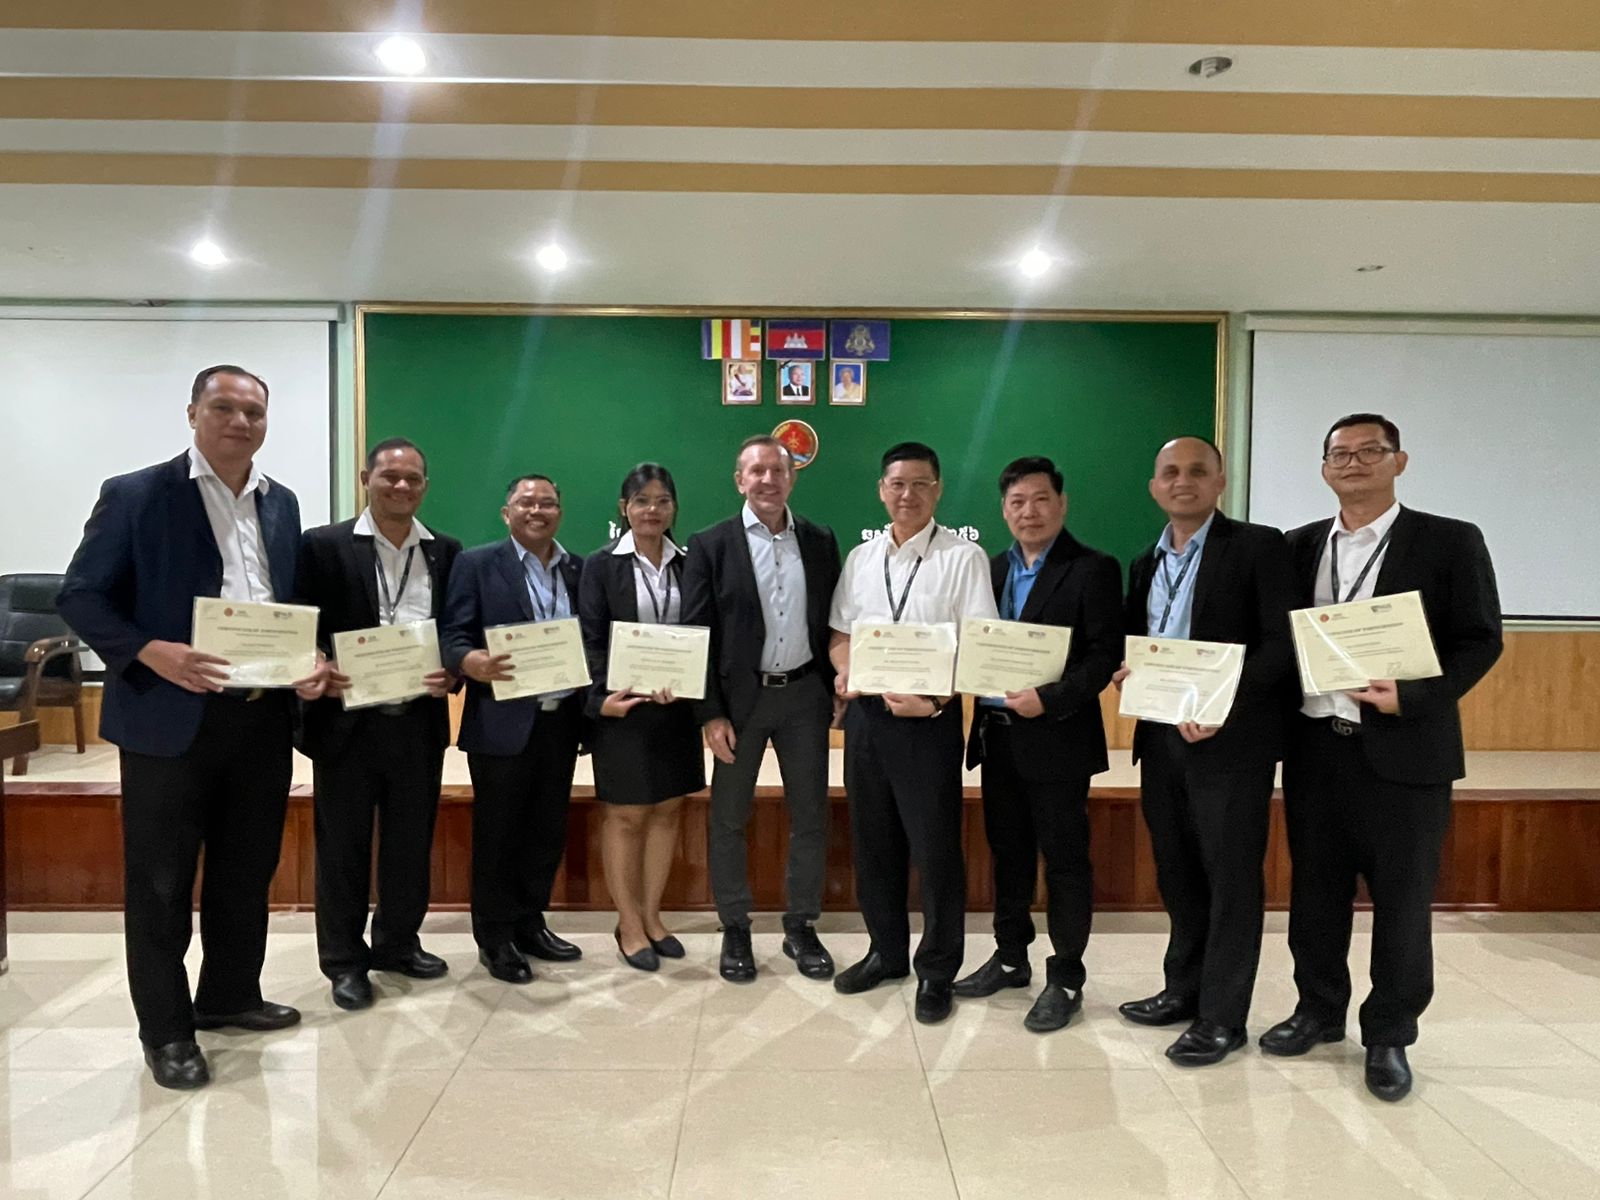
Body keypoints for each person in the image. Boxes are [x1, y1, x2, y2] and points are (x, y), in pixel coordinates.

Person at [57, 364, 330, 1090]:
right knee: (160, 882)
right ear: (193, 413)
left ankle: (230, 996)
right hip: (168, 722)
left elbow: (279, 601)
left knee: (247, 872)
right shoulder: (137, 494)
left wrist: (304, 662)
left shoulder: (283, 504)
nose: (240, 422)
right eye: (225, 407)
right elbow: (80, 595)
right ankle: (167, 1031)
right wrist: (149, 649)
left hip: (261, 718)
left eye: (253, 411)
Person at [1259, 414, 1502, 1102]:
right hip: (1314, 751)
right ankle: (1317, 1010)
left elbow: (1481, 639)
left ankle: (1390, 1033)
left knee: (1401, 902)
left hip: (1405, 755)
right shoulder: (1299, 546)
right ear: (1324, 466)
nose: (1354, 461)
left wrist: (1414, 696)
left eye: (1371, 451)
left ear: (1399, 462)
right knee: (1315, 896)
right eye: (1340, 453)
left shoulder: (1449, 541)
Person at [1113, 436, 1295, 1066]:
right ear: (1155, 487)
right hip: (1162, 739)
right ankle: (1182, 990)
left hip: (1230, 744)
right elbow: (1143, 643)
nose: (1182, 481)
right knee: (1178, 875)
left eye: (1197, 471)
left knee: (1230, 881)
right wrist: (1125, 671)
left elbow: (1280, 644)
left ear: (1221, 482)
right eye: (1170, 472)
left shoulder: (1258, 546)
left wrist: (1223, 708)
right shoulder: (1145, 562)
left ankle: (1223, 1017)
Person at [827, 442, 997, 1024]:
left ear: (938, 489)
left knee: (935, 851)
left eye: (921, 484)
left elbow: (979, 645)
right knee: (874, 844)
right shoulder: (861, 558)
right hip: (869, 722)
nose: (908, 495)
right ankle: (886, 953)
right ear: (882, 489)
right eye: (897, 484)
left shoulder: (963, 558)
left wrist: (936, 698)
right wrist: (846, 669)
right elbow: (840, 633)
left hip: (930, 722)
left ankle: (937, 970)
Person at [953, 456, 1122, 1032]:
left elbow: (1102, 656)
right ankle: (1009, 957)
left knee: (1066, 861)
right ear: (1004, 510)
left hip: (1057, 739)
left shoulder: (1093, 568)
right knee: (1010, 856)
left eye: (1040, 499)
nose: (1029, 511)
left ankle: (1067, 975)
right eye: (1017, 502)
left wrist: (1048, 699)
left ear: (1062, 502)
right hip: (997, 739)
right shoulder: (990, 569)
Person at [296, 437, 461, 1011]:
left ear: (425, 486)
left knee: (410, 844)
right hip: (347, 725)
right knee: (342, 847)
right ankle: (344, 961)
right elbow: (302, 625)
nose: (402, 487)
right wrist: (318, 661)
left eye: (413, 478)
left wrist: (453, 672)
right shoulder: (323, 546)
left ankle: (397, 943)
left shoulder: (446, 551)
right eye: (390, 476)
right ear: (367, 478)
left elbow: (456, 633)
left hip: (417, 722)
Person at [681, 435, 841, 983]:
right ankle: (736, 927)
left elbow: (834, 623)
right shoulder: (710, 544)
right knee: (728, 818)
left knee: (810, 817)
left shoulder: (820, 539)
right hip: (739, 702)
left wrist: (836, 688)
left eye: (778, 470)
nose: (768, 480)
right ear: (739, 480)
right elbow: (696, 632)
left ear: (792, 477)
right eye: (757, 471)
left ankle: (801, 925)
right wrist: (710, 712)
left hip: (804, 697)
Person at [440, 475, 586, 984]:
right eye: (526, 502)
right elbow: (452, 634)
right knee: (498, 834)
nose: (538, 510)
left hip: (560, 724)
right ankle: (495, 937)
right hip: (502, 724)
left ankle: (530, 922)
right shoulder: (477, 564)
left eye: (548, 502)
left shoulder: (577, 568)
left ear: (559, 512)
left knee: (545, 831)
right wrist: (468, 660)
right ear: (507, 513)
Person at [579, 463, 706, 971]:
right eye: (641, 501)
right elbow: (588, 638)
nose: (652, 510)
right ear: (624, 508)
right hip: (622, 710)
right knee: (627, 816)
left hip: (676, 710)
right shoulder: (600, 565)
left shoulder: (690, 563)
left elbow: (702, 632)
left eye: (662, 501)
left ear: (674, 508)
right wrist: (597, 699)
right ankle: (628, 923)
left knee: (668, 810)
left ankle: (653, 917)